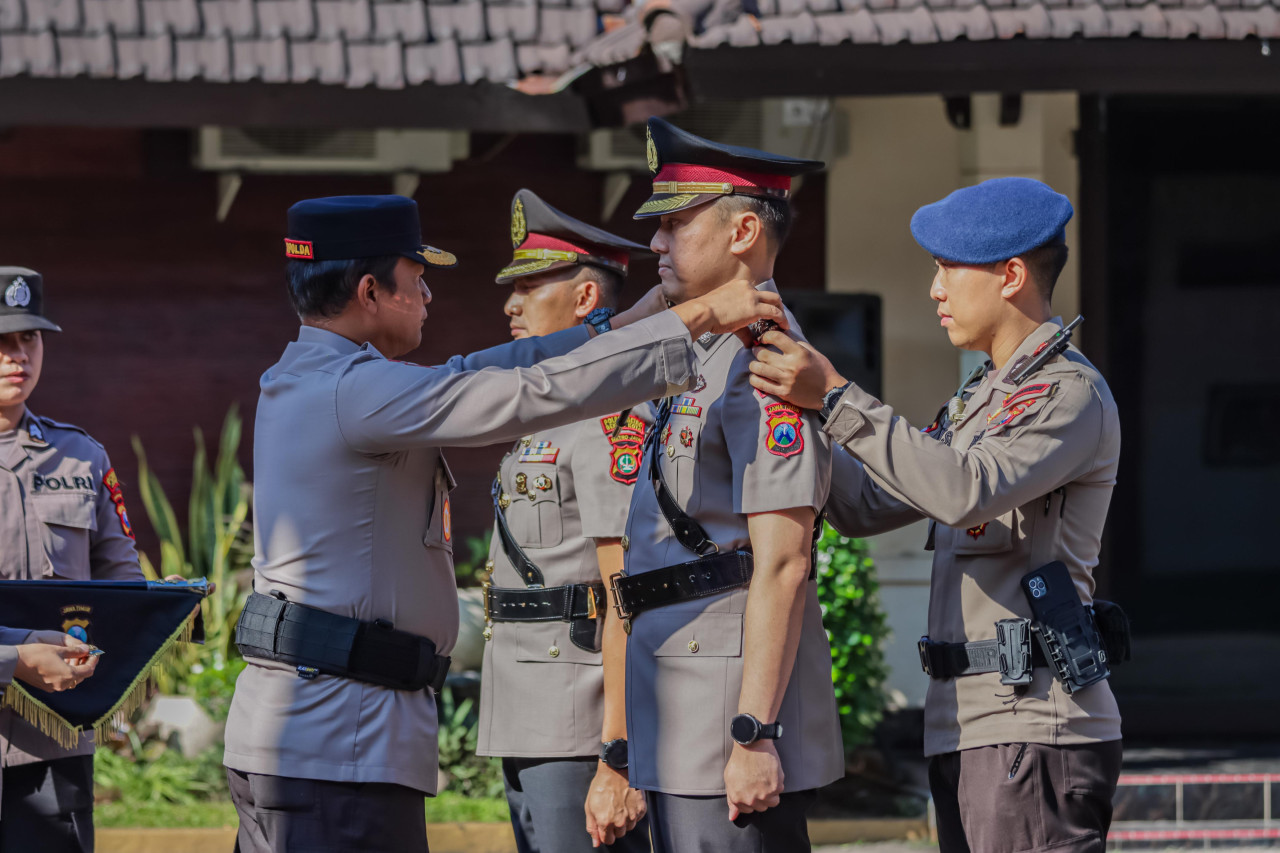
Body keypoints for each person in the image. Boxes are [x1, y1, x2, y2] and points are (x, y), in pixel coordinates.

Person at [222, 194, 787, 853]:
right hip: (336, 742)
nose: (428, 294)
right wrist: (696, 317)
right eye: (416, 278)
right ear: (370, 291)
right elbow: (527, 392)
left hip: (315, 733)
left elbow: (476, 370)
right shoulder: (355, 390)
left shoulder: (319, 377)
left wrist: (630, 321)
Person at [746, 177, 1124, 853]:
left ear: (1011, 276)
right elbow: (865, 504)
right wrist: (798, 409)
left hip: (1032, 725)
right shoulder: (977, 400)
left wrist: (833, 395)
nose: (935, 289)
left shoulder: (1067, 393)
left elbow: (966, 490)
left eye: (949, 268)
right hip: (965, 726)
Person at [604, 118, 844, 853]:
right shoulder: (700, 347)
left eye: (675, 225)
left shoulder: (763, 355)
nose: (655, 243)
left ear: (743, 231)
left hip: (723, 710)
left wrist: (754, 732)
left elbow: (784, 559)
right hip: (676, 693)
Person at [475, 189, 651, 853]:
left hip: (579, 723)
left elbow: (624, 593)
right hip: (525, 710)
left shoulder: (609, 418)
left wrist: (617, 753)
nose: (510, 304)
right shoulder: (547, 412)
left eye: (529, 286)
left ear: (584, 298)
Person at [0, 266, 143, 853]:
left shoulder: (80, 457)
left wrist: (153, 614)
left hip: (53, 740)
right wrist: (14, 659)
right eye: (1, 340)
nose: (17, 355)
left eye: (29, 339)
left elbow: (121, 581)